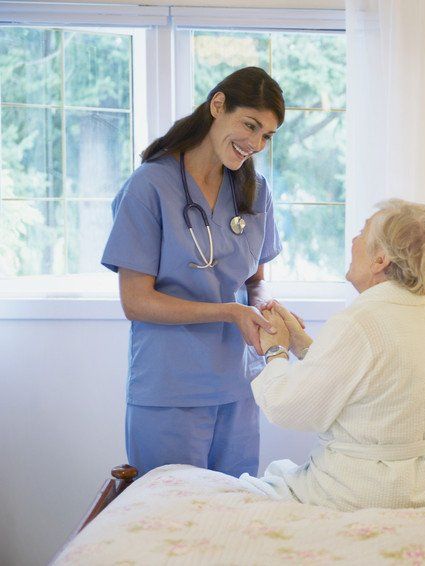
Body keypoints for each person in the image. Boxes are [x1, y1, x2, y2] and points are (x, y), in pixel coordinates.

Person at [101, 67, 287, 478]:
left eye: (266, 136)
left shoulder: (254, 191)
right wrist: (228, 312)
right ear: (217, 106)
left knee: (232, 519)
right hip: (171, 388)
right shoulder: (150, 186)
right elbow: (136, 301)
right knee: (169, 522)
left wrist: (263, 311)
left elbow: (254, 281)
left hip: (237, 387)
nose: (255, 144)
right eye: (250, 125)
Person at [240, 199, 425, 511]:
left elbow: (287, 407)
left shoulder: (360, 321)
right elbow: (367, 383)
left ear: (380, 258)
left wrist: (275, 349)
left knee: (250, 489)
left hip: (373, 489)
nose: (353, 241)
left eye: (362, 233)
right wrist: (299, 342)